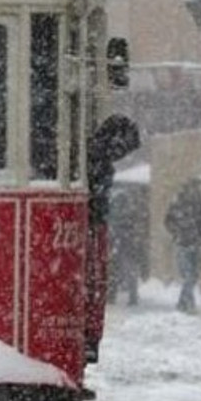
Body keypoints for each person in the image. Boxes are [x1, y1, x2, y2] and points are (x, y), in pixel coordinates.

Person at [85, 115, 142, 358]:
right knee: (96, 283)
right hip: (93, 224)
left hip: (96, 223)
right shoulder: (96, 160)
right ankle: (90, 340)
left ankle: (90, 340)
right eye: (123, 149)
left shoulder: (95, 156)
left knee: (99, 283)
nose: (123, 155)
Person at [165, 182, 201, 313]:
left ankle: (183, 303)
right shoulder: (181, 205)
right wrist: (178, 231)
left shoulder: (195, 205)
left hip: (189, 242)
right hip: (185, 243)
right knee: (190, 276)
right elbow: (168, 221)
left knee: (192, 276)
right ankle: (188, 304)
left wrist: (199, 233)